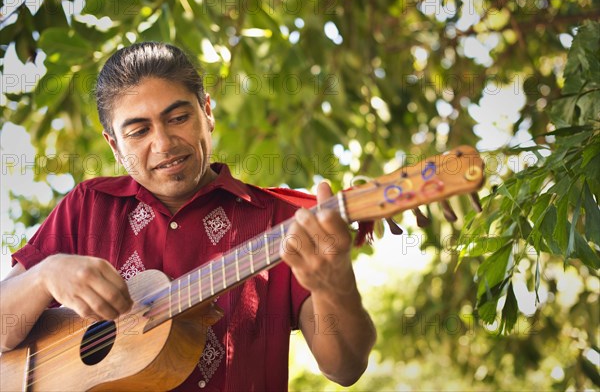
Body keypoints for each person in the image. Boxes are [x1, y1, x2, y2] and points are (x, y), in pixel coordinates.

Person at [0, 42, 376, 390]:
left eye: (178, 117)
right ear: (114, 145)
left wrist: (334, 281)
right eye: (138, 131)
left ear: (207, 112)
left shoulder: (287, 222)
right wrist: (44, 277)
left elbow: (345, 368)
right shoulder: (87, 206)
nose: (163, 143)